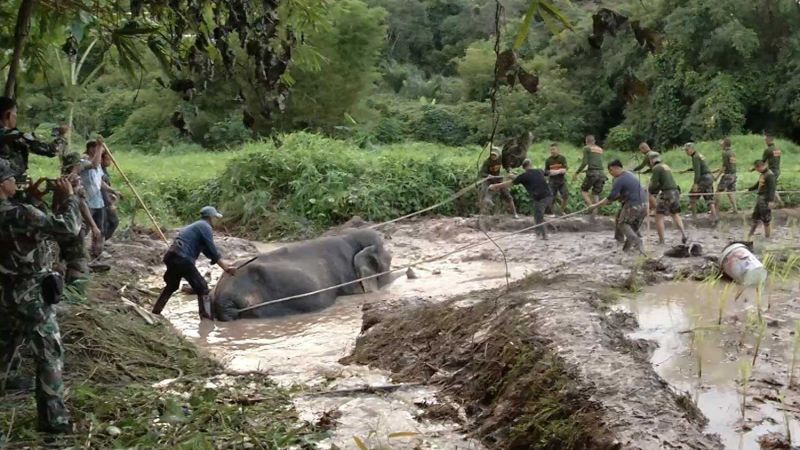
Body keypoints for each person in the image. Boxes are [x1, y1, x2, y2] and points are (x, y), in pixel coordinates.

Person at [0, 158, 81, 433]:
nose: (17, 182)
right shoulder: (22, 214)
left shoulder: (18, 211)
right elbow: (69, 228)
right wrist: (69, 198)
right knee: (49, 354)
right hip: (30, 296)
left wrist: (32, 198)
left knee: (3, 351)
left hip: (3, 295)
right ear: (3, 184)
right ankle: (54, 420)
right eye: (13, 178)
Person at [153, 206, 237, 319]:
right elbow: (212, 250)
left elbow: (207, 251)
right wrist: (226, 268)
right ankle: (207, 321)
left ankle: (155, 312)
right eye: (216, 217)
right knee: (203, 288)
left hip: (172, 256)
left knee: (172, 286)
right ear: (211, 217)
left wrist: (223, 265)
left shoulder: (196, 226)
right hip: (182, 258)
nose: (217, 220)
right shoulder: (205, 226)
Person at [53, 152, 102, 286]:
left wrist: (93, 225)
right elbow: (56, 207)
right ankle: (73, 284)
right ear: (74, 166)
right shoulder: (64, 183)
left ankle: (68, 282)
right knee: (76, 258)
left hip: (75, 225)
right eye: (79, 165)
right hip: (67, 226)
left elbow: (82, 204)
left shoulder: (76, 182)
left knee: (72, 258)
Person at [0, 96, 66, 182]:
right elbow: (52, 150)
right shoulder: (17, 137)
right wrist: (61, 135)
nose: (16, 117)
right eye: (15, 113)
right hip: (9, 187)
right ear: (8, 115)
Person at [590, 159, 648, 253]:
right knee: (632, 228)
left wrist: (594, 206)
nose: (611, 174)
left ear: (614, 168)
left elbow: (610, 197)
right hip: (645, 205)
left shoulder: (620, 180)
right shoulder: (630, 175)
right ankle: (626, 250)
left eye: (610, 171)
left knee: (622, 224)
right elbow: (620, 195)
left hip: (633, 205)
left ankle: (638, 242)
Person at [490, 159, 552, 239]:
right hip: (548, 195)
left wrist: (495, 186)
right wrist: (514, 177)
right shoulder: (539, 171)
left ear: (523, 168)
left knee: (539, 215)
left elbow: (509, 184)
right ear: (531, 165)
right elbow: (547, 174)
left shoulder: (524, 176)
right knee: (537, 215)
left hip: (541, 198)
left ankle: (544, 235)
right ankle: (538, 233)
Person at [646, 152, 688, 245]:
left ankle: (662, 240)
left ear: (651, 161)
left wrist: (650, 191)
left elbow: (654, 183)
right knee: (675, 214)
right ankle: (684, 234)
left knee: (659, 217)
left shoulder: (656, 168)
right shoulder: (665, 166)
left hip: (667, 193)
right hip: (675, 192)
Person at [680, 142, 717, 221]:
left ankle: (694, 216)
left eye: (687, 150)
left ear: (692, 149)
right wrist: (686, 170)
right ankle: (714, 215)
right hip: (709, 178)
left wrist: (695, 184)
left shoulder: (695, 157)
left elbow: (698, 172)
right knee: (709, 196)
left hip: (703, 178)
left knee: (692, 195)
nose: (686, 152)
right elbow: (701, 166)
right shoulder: (699, 155)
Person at [479, 148, 518, 218]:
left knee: (508, 196)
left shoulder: (501, 160)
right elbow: (481, 173)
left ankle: (514, 213)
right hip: (489, 181)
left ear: (499, 155)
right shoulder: (487, 162)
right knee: (486, 195)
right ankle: (484, 214)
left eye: (495, 155)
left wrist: (510, 171)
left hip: (498, 179)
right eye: (492, 155)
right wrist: (488, 175)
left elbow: (507, 167)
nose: (493, 156)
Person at [573, 135, 606, 219]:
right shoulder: (600, 149)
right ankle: (595, 214)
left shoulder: (586, 148)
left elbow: (584, 162)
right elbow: (596, 162)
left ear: (586, 141)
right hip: (601, 173)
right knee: (596, 193)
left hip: (592, 173)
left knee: (584, 190)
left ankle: (591, 206)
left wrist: (576, 173)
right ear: (594, 141)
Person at [748, 160, 776, 239]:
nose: (756, 171)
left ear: (760, 166)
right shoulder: (763, 174)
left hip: (766, 199)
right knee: (755, 216)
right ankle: (750, 234)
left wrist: (771, 201)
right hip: (760, 198)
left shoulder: (770, 175)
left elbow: (772, 189)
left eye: (757, 169)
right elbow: (758, 184)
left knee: (766, 219)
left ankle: (767, 236)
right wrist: (749, 189)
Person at [631, 142, 658, 213]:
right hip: (660, 174)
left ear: (643, 149)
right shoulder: (656, 153)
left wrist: (633, 170)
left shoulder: (648, 155)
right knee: (653, 192)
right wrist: (645, 172)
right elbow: (655, 167)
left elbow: (642, 165)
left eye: (640, 150)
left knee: (646, 191)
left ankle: (655, 208)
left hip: (656, 176)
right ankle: (652, 208)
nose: (641, 152)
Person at [714, 137, 738, 214]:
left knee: (718, 191)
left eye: (722, 143)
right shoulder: (732, 152)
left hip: (727, 175)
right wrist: (717, 169)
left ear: (724, 144)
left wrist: (717, 177)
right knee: (730, 192)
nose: (720, 145)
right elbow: (729, 165)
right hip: (733, 174)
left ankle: (715, 210)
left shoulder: (724, 153)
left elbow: (724, 167)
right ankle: (735, 209)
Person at [544, 143, 569, 215]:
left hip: (561, 181)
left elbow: (565, 168)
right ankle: (552, 213)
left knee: (565, 196)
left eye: (553, 149)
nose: (552, 151)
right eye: (551, 150)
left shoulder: (562, 158)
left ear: (558, 150)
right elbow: (545, 171)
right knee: (551, 198)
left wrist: (558, 171)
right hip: (552, 181)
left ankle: (561, 211)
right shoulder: (548, 160)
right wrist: (549, 172)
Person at [100, 150, 119, 239]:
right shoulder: (98, 170)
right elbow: (101, 188)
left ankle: (102, 241)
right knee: (108, 223)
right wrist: (109, 203)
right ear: (101, 159)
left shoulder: (104, 170)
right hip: (102, 202)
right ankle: (100, 243)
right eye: (108, 159)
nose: (110, 161)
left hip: (105, 200)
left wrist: (112, 193)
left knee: (111, 222)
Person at [762, 135, 782, 207]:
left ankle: (772, 203)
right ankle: (779, 201)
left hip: (772, 171)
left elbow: (762, 162)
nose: (765, 142)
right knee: (772, 186)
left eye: (765, 140)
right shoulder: (778, 149)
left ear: (768, 141)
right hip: (777, 170)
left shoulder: (768, 150)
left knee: (769, 186)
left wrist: (754, 168)